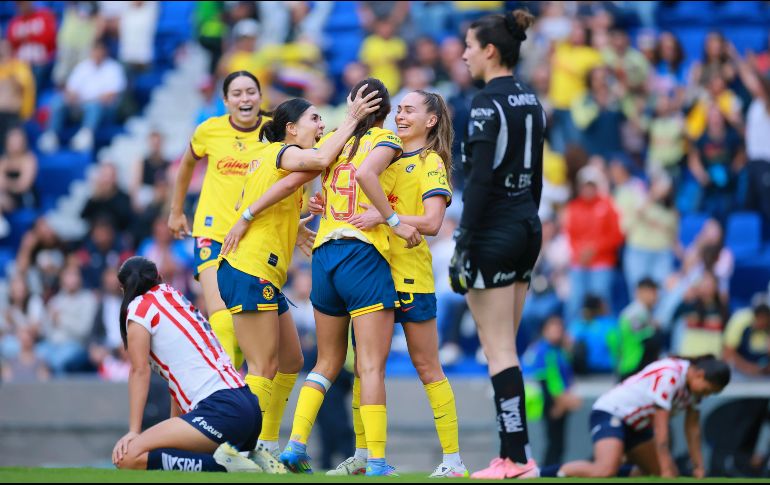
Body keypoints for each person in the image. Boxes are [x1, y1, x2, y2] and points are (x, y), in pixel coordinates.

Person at [216, 89, 382, 472]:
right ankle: (237, 447)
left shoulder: (276, 161)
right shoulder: (283, 153)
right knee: (262, 365)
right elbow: (321, 159)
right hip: (248, 268)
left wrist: (297, 230)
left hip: (263, 271)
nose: (321, 126)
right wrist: (352, 120)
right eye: (314, 119)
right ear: (290, 128)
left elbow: (277, 201)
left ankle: (265, 443)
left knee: (291, 360)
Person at [273, 78, 419, 477]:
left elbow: (316, 190)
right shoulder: (386, 140)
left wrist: (317, 205)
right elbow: (367, 176)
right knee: (370, 366)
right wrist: (394, 221)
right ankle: (376, 461)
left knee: (326, 361)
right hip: (361, 252)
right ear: (386, 110)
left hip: (324, 256)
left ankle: (295, 444)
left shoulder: (334, 142)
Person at [323, 90, 467, 477]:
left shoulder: (430, 161)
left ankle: (453, 460)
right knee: (367, 366)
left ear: (431, 121)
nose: (400, 116)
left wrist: (386, 217)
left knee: (427, 366)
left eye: (409, 111)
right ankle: (364, 455)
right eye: (398, 109)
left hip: (410, 275)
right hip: (370, 271)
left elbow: (433, 222)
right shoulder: (382, 153)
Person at [167, 70, 296, 473]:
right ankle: (218, 419)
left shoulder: (273, 132)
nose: (245, 98)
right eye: (237, 93)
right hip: (212, 233)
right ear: (225, 101)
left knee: (281, 356)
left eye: (251, 91)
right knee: (223, 321)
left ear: (260, 96)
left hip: (252, 239)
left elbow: (289, 178)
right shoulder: (209, 130)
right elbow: (187, 163)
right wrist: (176, 210)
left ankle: (252, 434)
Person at [447, 9, 544, 479]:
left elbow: (480, 181)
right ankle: (515, 454)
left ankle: (516, 459)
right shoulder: (531, 97)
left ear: (489, 50)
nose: (463, 54)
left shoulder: (486, 102)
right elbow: (537, 175)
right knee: (507, 351)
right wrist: (526, 220)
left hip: (495, 231)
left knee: (499, 351)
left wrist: (463, 241)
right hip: (526, 226)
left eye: (469, 45)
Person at [110, 256, 263, 473]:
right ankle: (246, 457)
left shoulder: (139, 309)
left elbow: (139, 371)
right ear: (158, 277)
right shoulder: (174, 297)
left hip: (219, 410)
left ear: (123, 289)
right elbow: (178, 379)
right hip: (248, 409)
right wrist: (175, 428)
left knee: (128, 457)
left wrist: (134, 431)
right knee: (169, 453)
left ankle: (226, 466)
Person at [550, 355, 731, 478]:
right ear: (699, 374)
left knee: (664, 473)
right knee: (604, 470)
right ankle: (541, 472)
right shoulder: (671, 375)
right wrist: (665, 466)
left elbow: (692, 429)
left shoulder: (694, 390)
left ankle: (611, 464)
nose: (706, 395)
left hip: (638, 426)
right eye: (708, 390)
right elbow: (660, 426)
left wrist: (699, 467)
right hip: (612, 412)